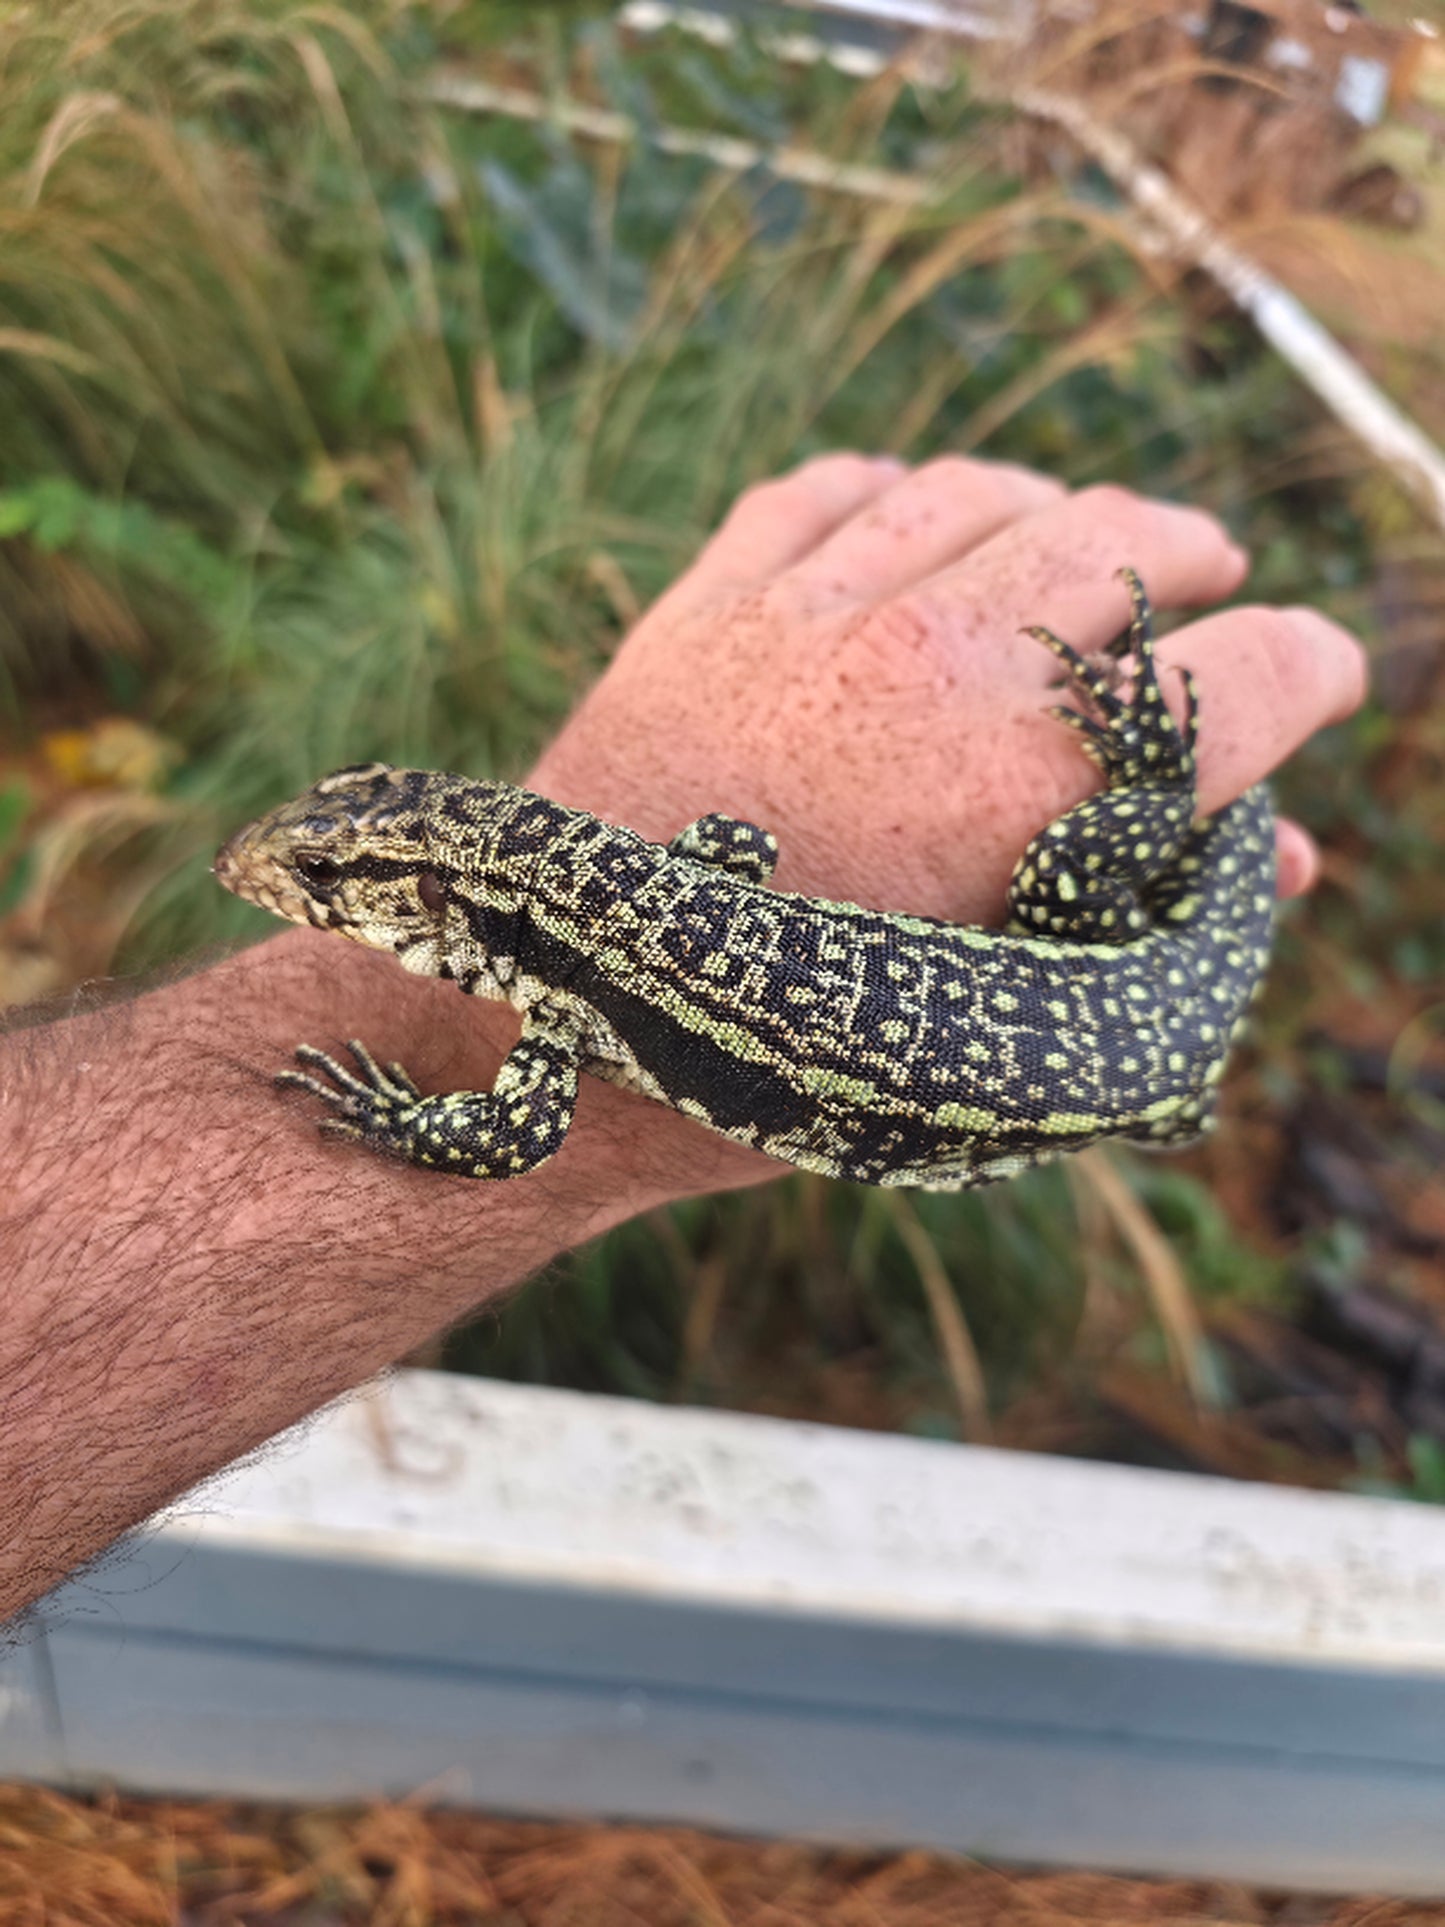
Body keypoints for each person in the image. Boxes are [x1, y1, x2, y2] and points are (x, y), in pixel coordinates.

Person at [0, 456, 1366, 1623]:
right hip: (1137, 1029)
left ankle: (1169, 791)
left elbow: (513, 1135)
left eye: (329, 881)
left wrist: (399, 1115)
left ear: (446, 906)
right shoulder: (616, 936)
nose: (280, 875)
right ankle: (1168, 797)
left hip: (1122, 1035)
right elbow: (731, 848)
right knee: (1074, 891)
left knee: (1071, 880)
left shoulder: (560, 1007)